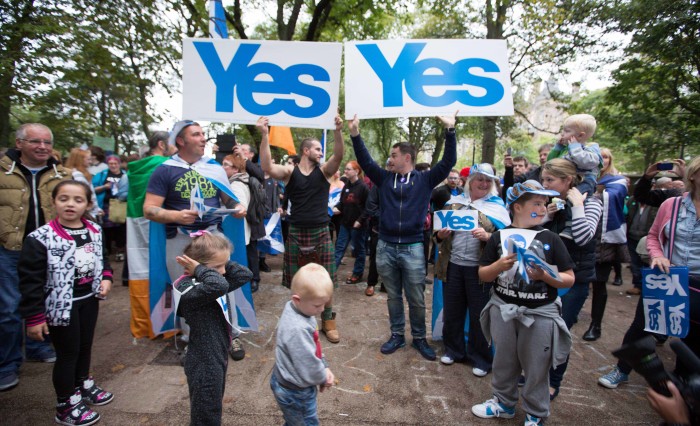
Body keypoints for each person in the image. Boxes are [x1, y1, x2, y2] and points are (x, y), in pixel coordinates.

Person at [348, 112, 457, 361]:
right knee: (393, 295)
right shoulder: (385, 179)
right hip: (386, 246)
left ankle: (419, 338)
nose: (390, 158)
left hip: (413, 247)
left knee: (416, 297)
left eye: (394, 155)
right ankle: (397, 334)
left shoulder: (425, 179)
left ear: (407, 158)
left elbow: (448, 160)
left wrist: (450, 130)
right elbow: (365, 161)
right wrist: (355, 133)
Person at [472, 180, 575, 425]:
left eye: (545, 203)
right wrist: (499, 266)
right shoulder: (498, 237)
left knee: (537, 365)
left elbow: (569, 278)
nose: (543, 208)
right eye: (536, 203)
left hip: (540, 314)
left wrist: (545, 276)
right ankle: (503, 403)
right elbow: (483, 274)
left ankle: (536, 412)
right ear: (517, 207)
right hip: (503, 311)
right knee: (504, 360)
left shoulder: (551, 238)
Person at [598, 156, 700, 389]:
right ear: (693, 175)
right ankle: (622, 369)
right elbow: (654, 236)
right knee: (643, 324)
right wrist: (658, 255)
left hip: (698, 283)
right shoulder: (672, 204)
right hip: (668, 276)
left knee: (692, 336)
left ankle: (683, 383)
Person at [143, 120, 246, 346]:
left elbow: (227, 199)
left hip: (213, 238)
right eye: (197, 134)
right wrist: (175, 216)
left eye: (203, 134)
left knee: (224, 286)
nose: (203, 139)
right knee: (186, 291)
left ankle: (231, 336)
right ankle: (194, 340)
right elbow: (149, 208)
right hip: (180, 239)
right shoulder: (164, 170)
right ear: (181, 140)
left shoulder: (214, 167)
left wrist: (237, 208)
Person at [19, 180, 114, 425]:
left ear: (87, 204)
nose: (70, 204)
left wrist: (106, 277)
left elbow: (102, 258)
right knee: (67, 353)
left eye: (78, 200)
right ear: (53, 202)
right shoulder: (40, 238)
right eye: (64, 199)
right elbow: (30, 281)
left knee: (84, 346)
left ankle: (82, 384)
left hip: (88, 300)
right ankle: (65, 403)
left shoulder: (93, 229)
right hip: (61, 306)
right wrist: (35, 317)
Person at [259, 115, 345, 343]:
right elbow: (266, 166)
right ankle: (300, 322)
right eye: (317, 149)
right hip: (296, 232)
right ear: (305, 151)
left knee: (326, 279)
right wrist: (264, 135)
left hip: (321, 231)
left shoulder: (325, 172)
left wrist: (337, 131)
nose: (320, 152)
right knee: (298, 281)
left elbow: (339, 155)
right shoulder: (289, 173)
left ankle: (328, 320)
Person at [0, 123, 70, 392]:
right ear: (19, 143)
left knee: (47, 299)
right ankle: (7, 364)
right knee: (9, 308)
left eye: (46, 142)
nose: (42, 147)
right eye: (34, 141)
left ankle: (38, 347)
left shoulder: (60, 174)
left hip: (49, 250)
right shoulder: (3, 171)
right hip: (11, 249)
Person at [434, 163, 511, 377]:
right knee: (453, 311)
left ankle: (482, 359)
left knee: (480, 314)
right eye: (479, 179)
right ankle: (454, 350)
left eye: (488, 180)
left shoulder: (497, 207)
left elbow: (505, 239)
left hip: (481, 269)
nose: (483, 183)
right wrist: (441, 235)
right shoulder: (454, 202)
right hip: (453, 265)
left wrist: (488, 238)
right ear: (470, 181)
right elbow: (437, 235)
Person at [172, 231, 252, 426]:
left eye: (225, 264)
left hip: (216, 354)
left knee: (212, 406)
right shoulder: (188, 288)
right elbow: (218, 285)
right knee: (206, 414)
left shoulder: (209, 281)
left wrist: (217, 261)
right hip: (203, 361)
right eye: (217, 267)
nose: (224, 271)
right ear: (193, 265)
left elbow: (245, 274)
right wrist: (200, 269)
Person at [539, 158, 603, 399]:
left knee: (559, 331)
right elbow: (540, 234)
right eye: (544, 179)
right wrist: (547, 215)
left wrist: (577, 207)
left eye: (550, 180)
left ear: (567, 180)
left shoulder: (593, 202)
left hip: (575, 279)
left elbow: (584, 238)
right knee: (540, 328)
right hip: (548, 273)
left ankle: (553, 381)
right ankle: (536, 373)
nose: (545, 184)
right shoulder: (555, 203)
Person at [270, 263, 335, 426]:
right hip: (295, 392)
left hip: (288, 382)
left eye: (324, 304)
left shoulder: (297, 308)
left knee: (295, 421)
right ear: (297, 300)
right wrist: (322, 378)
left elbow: (314, 346)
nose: (321, 310)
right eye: (317, 305)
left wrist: (324, 364)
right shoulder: (297, 329)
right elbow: (307, 363)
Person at [582, 148, 629, 341]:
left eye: (606, 156)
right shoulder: (584, 176)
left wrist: (595, 192)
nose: (602, 159)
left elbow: (616, 197)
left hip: (605, 240)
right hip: (583, 237)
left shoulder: (617, 181)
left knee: (600, 283)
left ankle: (596, 324)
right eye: (598, 156)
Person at [547, 114, 602, 195]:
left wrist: (575, 147)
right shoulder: (567, 149)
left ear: (580, 135)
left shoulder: (590, 148)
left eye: (567, 131)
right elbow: (550, 163)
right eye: (563, 130)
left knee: (573, 200)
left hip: (584, 183)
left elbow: (588, 161)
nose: (562, 134)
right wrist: (558, 148)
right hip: (569, 184)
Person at [334, 161, 369, 284]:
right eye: (345, 169)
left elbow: (368, 208)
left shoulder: (363, 187)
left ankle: (357, 274)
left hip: (358, 226)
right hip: (345, 223)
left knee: (359, 250)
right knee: (339, 248)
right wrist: (337, 208)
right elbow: (342, 202)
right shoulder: (346, 185)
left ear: (356, 171)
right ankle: (331, 272)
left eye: (348, 169)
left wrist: (360, 221)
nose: (345, 171)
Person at [93, 155, 127, 261]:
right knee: (107, 229)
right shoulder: (102, 174)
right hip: (106, 205)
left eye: (115, 163)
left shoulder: (125, 175)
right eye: (111, 163)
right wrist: (104, 187)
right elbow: (92, 189)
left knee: (120, 229)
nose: (113, 165)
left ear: (119, 164)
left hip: (120, 204)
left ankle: (120, 251)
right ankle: (106, 251)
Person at [65, 148, 101, 219]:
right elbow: (87, 194)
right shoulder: (77, 175)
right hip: (85, 214)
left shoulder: (71, 172)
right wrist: (95, 209)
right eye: (88, 159)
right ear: (80, 160)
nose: (90, 162)